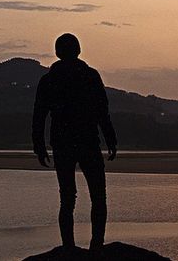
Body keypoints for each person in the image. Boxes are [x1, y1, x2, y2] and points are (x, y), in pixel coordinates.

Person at [32, 32, 117, 251]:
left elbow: (39, 116)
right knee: (97, 197)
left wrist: (39, 146)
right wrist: (110, 139)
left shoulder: (49, 80)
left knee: (67, 199)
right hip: (88, 142)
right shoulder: (90, 76)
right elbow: (102, 113)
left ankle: (69, 247)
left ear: (58, 52)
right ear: (78, 50)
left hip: (64, 144)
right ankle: (96, 245)